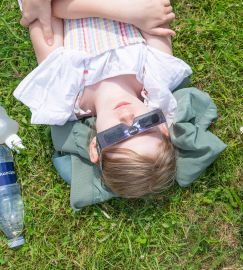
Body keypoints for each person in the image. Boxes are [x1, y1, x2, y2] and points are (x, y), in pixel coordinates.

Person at [14, 0, 195, 198]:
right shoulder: (156, 75)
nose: (127, 117)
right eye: (144, 125)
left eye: (117, 135)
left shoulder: (63, 93)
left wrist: (130, 13)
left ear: (95, 147)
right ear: (163, 127)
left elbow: (42, 12)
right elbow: (155, 8)